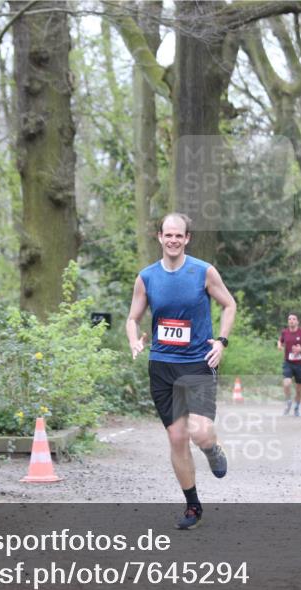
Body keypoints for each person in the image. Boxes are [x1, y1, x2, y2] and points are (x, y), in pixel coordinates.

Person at [126, 212, 237, 530]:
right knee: (176, 437)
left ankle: (212, 449)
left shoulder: (203, 272)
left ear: (187, 239)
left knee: (199, 432)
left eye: (179, 235)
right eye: (168, 235)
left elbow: (229, 304)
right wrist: (134, 341)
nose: (173, 240)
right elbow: (132, 318)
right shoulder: (146, 277)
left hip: (198, 363)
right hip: (162, 366)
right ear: (159, 238)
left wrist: (222, 342)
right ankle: (193, 507)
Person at [277, 313, 301, 416]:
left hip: (300, 364)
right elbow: (280, 341)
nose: (291, 321)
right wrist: (279, 345)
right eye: (289, 319)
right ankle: (288, 401)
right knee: (286, 383)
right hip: (288, 362)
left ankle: (296, 407)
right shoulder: (284, 332)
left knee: (298, 388)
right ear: (288, 321)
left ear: (297, 321)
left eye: (293, 319)